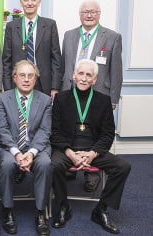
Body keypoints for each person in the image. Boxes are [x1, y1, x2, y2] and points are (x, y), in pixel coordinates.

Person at [51, 59, 131, 234]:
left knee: (123, 167)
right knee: (54, 165)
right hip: (67, 148)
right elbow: (55, 132)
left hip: (94, 149)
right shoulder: (61, 98)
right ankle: (63, 207)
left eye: (89, 75)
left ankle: (101, 209)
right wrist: (70, 153)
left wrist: (93, 153)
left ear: (95, 80)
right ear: (73, 76)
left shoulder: (103, 100)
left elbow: (108, 134)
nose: (84, 78)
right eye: (81, 73)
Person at [60, 0, 123, 191]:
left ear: (99, 14)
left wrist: (113, 99)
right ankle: (70, 166)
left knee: (94, 134)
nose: (89, 15)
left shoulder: (112, 37)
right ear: (80, 15)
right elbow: (65, 66)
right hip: (70, 93)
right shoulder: (69, 35)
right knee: (70, 128)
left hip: (99, 94)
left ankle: (91, 174)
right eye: (85, 12)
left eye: (93, 12)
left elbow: (116, 71)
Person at [0, 60, 52, 236]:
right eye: (22, 75)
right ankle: (8, 210)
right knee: (6, 164)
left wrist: (31, 153)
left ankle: (40, 212)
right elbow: (2, 130)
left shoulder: (45, 100)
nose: (26, 79)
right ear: (14, 78)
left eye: (30, 76)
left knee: (45, 164)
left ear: (35, 79)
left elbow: (44, 131)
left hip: (36, 147)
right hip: (9, 147)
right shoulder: (2, 98)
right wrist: (18, 153)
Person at [2, 0, 61, 101]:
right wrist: (8, 89)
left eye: (33, 0)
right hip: (18, 83)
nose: (29, 3)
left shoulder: (50, 25)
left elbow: (56, 59)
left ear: (39, 2)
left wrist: (55, 87)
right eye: (25, 0)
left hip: (43, 83)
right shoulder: (11, 27)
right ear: (21, 3)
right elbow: (6, 60)